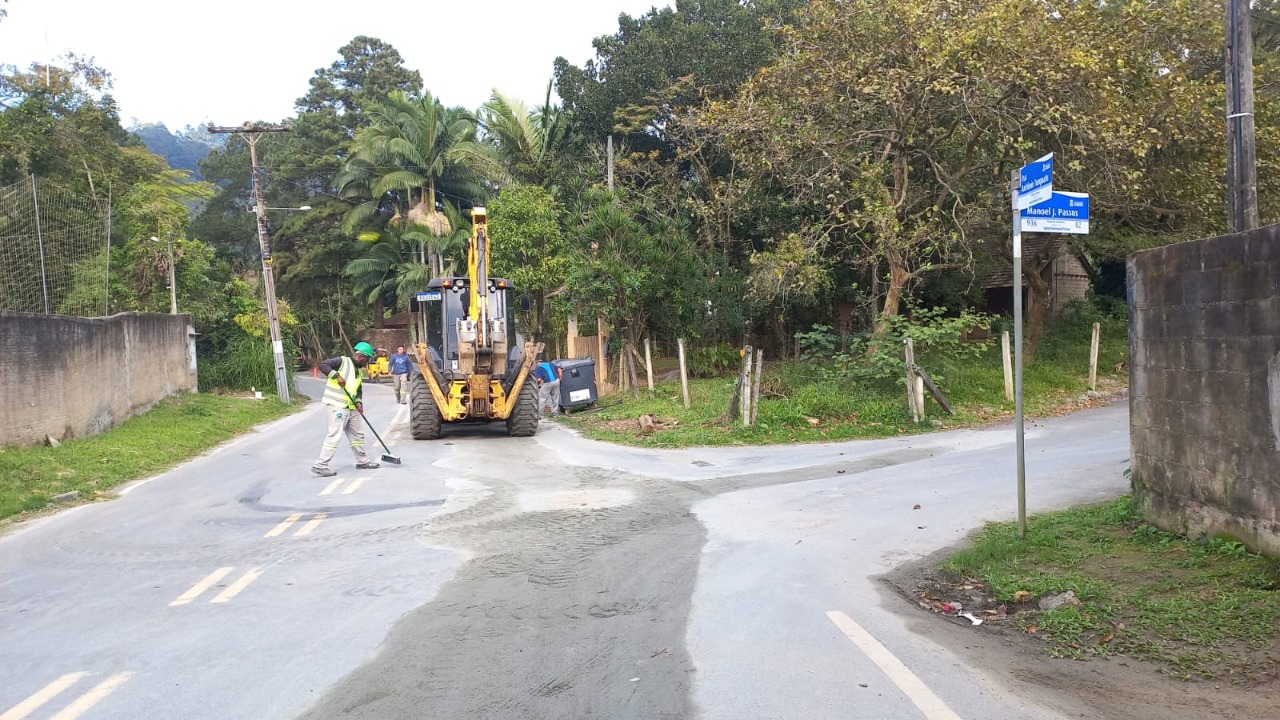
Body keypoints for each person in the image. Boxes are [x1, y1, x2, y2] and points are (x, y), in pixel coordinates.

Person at [311, 342, 380, 477]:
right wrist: (336, 375)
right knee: (334, 435)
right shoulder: (342, 361)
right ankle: (320, 465)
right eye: (366, 360)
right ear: (361, 356)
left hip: (351, 407)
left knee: (357, 435)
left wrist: (359, 401)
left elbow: (358, 389)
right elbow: (323, 365)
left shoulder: (359, 373)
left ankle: (362, 461)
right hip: (337, 405)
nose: (366, 363)